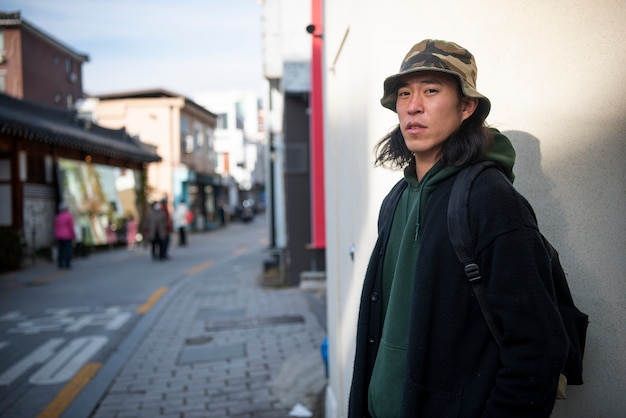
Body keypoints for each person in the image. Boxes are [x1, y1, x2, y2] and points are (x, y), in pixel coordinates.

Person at [348, 39, 569, 417]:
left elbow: (538, 349)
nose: (413, 105)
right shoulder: (397, 197)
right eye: (404, 93)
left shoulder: (490, 200)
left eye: (431, 90)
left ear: (466, 106)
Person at [54, 202, 75, 269]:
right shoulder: (69, 216)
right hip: (67, 235)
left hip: (59, 236)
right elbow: (71, 226)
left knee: (60, 250)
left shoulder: (58, 216)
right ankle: (67, 263)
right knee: (68, 249)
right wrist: (73, 235)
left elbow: (55, 227)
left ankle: (60, 263)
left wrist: (56, 235)